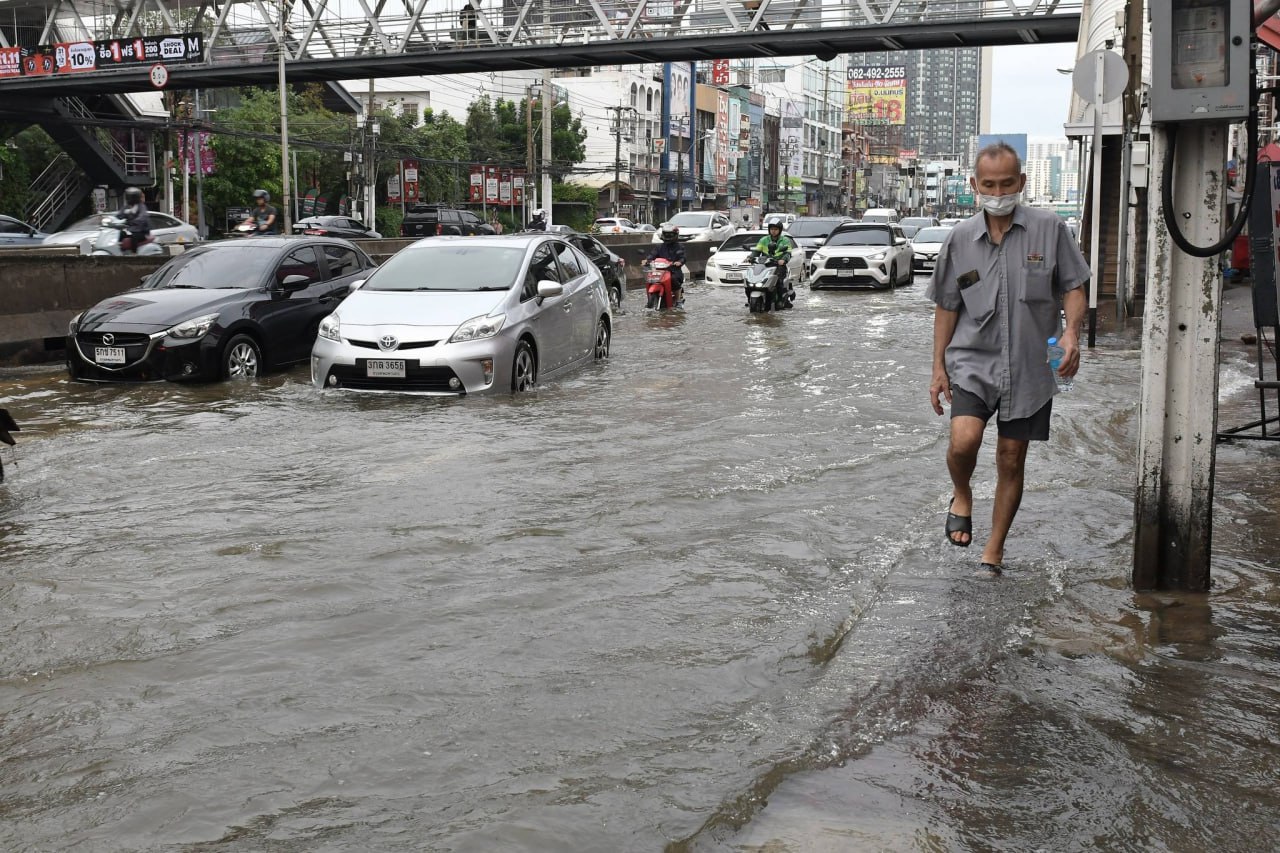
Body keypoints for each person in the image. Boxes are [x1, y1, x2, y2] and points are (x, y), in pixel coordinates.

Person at [926, 141, 1089, 577]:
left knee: (1012, 457)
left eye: (1006, 183)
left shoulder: (1050, 229)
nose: (998, 192)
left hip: (1033, 364)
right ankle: (962, 494)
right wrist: (938, 367)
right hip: (972, 362)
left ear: (1022, 181)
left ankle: (993, 551)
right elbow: (947, 306)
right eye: (989, 185)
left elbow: (1074, 288)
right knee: (964, 440)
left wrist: (1071, 332)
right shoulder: (960, 240)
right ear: (975, 185)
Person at [747, 220, 796, 309]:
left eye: (776, 229)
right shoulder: (764, 240)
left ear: (780, 230)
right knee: (751, 280)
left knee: (779, 280)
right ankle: (749, 300)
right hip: (765, 265)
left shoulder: (784, 240)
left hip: (778, 265)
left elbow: (788, 253)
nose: (773, 231)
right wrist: (750, 257)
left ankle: (780, 300)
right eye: (772, 229)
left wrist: (783, 260)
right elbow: (756, 251)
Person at [645, 223, 687, 308]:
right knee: (650, 279)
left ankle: (678, 300)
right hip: (660, 272)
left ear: (675, 235)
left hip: (674, 271)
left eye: (670, 235)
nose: (668, 236)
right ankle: (650, 300)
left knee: (673, 279)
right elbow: (652, 255)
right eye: (666, 234)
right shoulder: (659, 247)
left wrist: (679, 262)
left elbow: (683, 257)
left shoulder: (680, 247)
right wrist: (647, 260)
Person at [117, 187, 151, 253]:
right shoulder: (127, 206)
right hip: (130, 230)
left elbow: (143, 216)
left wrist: (135, 221)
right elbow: (119, 214)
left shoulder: (141, 206)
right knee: (120, 234)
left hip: (142, 231)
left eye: (131, 197)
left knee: (134, 237)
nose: (129, 198)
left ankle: (134, 254)